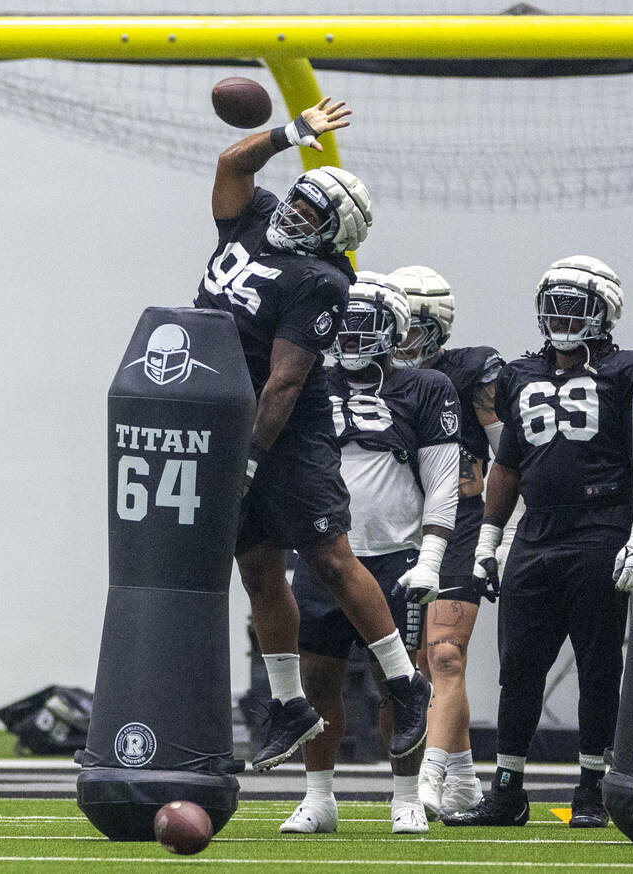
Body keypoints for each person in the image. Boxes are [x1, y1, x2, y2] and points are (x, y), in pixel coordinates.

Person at [194, 98, 430, 772]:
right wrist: (292, 133)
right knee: (259, 569)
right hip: (232, 414)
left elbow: (286, 382)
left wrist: (247, 464)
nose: (295, 214)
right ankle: (291, 705)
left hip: (285, 431)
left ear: (334, 235)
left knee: (327, 556)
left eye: (313, 215)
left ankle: (405, 685)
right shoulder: (255, 217)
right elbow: (229, 162)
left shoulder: (322, 281)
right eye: (298, 201)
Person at [442, 256, 633, 829]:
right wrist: (488, 539)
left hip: (601, 527)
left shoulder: (630, 371)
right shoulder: (520, 373)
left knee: (598, 665)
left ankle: (590, 790)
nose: (560, 315)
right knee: (520, 667)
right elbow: (507, 462)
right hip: (534, 534)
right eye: (554, 302)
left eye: (574, 305)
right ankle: (507, 790)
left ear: (604, 312)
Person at [279, 274, 462, 835]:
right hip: (324, 550)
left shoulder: (425, 385)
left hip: (394, 555)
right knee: (318, 677)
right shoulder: (312, 379)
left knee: (398, 683)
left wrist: (431, 556)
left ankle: (405, 796)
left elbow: (443, 480)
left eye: (366, 321)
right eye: (346, 321)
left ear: (395, 328)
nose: (353, 334)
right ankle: (319, 797)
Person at [386, 265, 506, 820]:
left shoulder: (472, 375)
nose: (396, 337)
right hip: (405, 527)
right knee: (419, 664)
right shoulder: (378, 378)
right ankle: (462, 780)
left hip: (461, 523)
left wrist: (500, 534)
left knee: (445, 655)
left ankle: (430, 776)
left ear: (436, 328)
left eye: (410, 327)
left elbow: (512, 456)